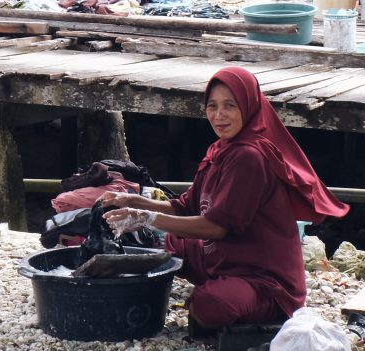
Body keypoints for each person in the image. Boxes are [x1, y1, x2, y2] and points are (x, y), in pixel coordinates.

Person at [104, 66, 349, 331]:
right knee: (167, 249)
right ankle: (218, 285)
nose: (219, 116)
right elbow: (186, 206)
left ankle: (244, 302)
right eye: (212, 106)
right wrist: (133, 201)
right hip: (225, 257)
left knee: (208, 304)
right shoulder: (220, 149)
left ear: (248, 106)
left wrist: (149, 219)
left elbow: (217, 227)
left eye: (230, 106)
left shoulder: (250, 157)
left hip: (264, 279)